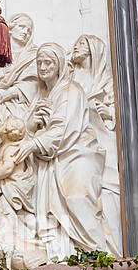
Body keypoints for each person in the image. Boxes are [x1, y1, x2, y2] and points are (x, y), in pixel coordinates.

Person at [13, 43, 117, 256]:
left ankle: (99, 257)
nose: (43, 67)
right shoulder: (41, 95)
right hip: (52, 160)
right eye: (39, 62)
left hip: (77, 154)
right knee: (49, 214)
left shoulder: (71, 90)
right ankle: (64, 258)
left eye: (48, 62)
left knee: (78, 198)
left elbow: (64, 129)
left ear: (59, 64)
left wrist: (35, 143)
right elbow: (25, 128)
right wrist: (32, 125)